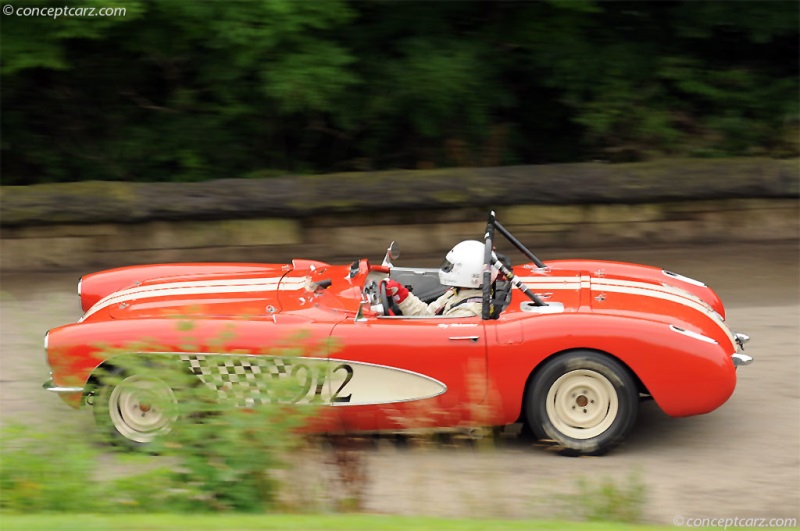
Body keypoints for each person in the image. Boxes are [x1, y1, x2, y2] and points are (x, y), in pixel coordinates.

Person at [384, 240, 497, 318]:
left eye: (451, 266)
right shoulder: (458, 292)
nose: (447, 269)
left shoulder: (467, 311)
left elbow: (433, 336)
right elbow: (426, 315)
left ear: (469, 271)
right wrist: (400, 293)